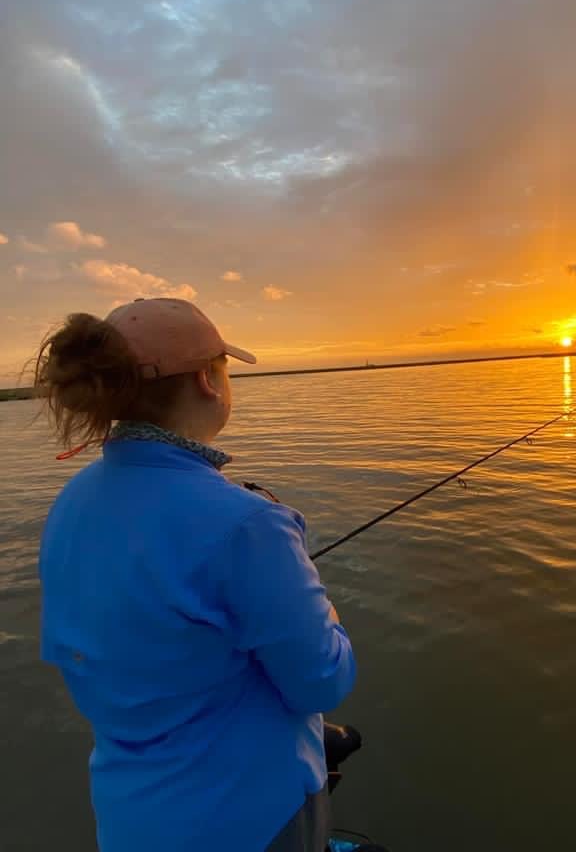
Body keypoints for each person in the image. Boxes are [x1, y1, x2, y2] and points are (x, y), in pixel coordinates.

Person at [35, 297, 356, 852]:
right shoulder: (248, 524)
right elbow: (322, 681)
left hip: (131, 818)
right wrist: (327, 616)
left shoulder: (71, 501)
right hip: (250, 822)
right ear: (210, 381)